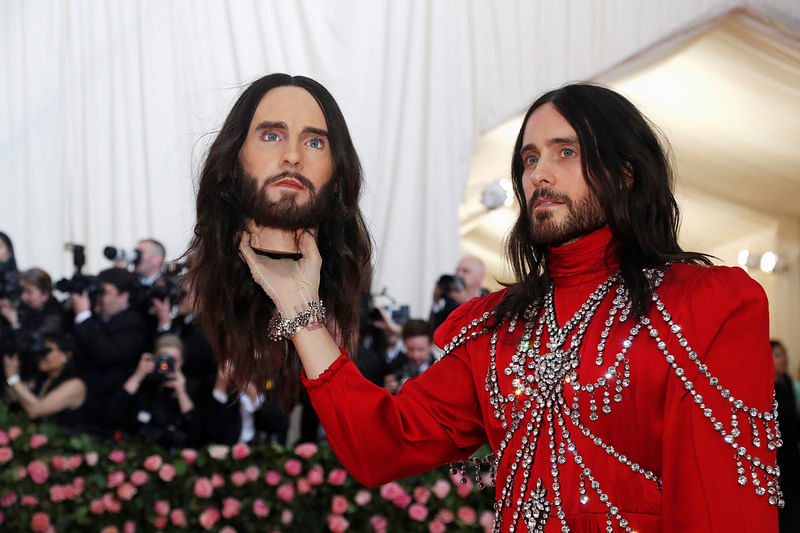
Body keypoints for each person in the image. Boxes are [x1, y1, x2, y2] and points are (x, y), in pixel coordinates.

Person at [239, 83, 779, 531]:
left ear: (626, 172)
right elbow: (382, 445)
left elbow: (718, 509)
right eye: (529, 159)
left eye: (566, 152)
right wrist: (300, 307)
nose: (538, 175)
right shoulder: (494, 330)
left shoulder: (703, 306)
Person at [185, 73, 371, 406]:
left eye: (314, 142)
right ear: (234, 159)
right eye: (272, 135)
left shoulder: (353, 298)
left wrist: (301, 306)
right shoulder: (195, 305)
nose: (292, 156)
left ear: (337, 175)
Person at [71, 267, 147, 429]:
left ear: (123, 296)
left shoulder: (133, 323)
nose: (98, 297)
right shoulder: (94, 318)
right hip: (82, 404)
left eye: (105, 292)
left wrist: (84, 317)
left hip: (109, 407)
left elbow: (107, 353)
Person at [105, 334, 204, 448]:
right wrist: (138, 376)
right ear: (155, 358)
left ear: (181, 362)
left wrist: (181, 393)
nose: (166, 365)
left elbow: (196, 430)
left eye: (172, 360)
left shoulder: (191, 386)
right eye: (163, 358)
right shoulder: (142, 381)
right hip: (136, 446)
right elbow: (113, 413)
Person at [3, 333, 87, 430]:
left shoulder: (76, 385)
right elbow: (13, 399)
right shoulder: (42, 380)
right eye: (40, 351)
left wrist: (12, 377)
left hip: (64, 443)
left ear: (66, 355)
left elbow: (35, 410)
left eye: (46, 351)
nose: (41, 356)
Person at [771, 340, 800, 532]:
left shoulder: (790, 384)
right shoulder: (767, 390)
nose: (784, 359)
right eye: (779, 355)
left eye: (784, 354)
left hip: (792, 457)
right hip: (777, 460)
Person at [383, 319, 435, 394]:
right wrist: (388, 392)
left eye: (420, 349)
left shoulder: (441, 370)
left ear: (431, 346)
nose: (415, 356)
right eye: (410, 349)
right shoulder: (394, 367)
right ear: (404, 344)